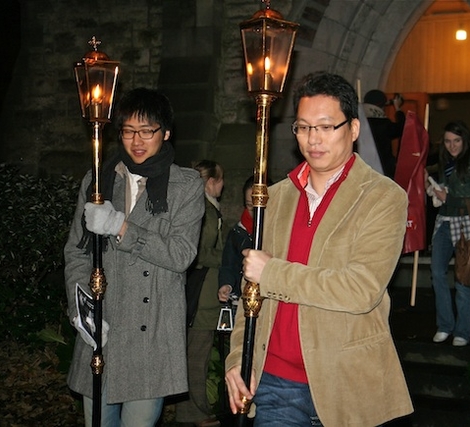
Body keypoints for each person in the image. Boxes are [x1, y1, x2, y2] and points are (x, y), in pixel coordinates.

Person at [224, 71, 413, 426]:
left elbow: (361, 289)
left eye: (327, 127)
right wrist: (239, 357)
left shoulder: (383, 197)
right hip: (275, 381)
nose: (314, 139)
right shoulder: (275, 197)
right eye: (304, 127)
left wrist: (274, 273)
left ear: (353, 129)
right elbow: (252, 288)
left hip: (348, 381)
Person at [64, 87, 205, 427]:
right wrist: (81, 311)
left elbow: (181, 255)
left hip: (151, 332)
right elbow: (76, 252)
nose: (136, 141)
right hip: (104, 329)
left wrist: (121, 227)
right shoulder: (98, 181)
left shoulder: (186, 185)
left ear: (166, 133)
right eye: (128, 131)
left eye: (147, 131)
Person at [426, 121, 470, 347]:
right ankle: (445, 325)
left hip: (465, 224)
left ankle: (462, 331)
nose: (452, 146)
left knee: (464, 278)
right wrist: (435, 189)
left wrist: (448, 198)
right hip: (444, 221)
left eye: (457, 141)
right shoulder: (447, 162)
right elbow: (445, 186)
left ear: (465, 141)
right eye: (448, 141)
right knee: (437, 273)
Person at [176, 160, 224, 427]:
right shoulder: (205, 210)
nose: (223, 185)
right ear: (210, 182)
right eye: (220, 180)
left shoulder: (203, 207)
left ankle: (189, 412)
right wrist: (228, 255)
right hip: (203, 294)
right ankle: (197, 412)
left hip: (201, 290)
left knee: (194, 353)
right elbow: (200, 252)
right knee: (197, 355)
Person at [218, 175, 255, 304]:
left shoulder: (280, 233)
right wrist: (226, 284)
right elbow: (229, 264)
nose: (255, 211)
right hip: (241, 300)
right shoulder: (238, 232)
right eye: (250, 205)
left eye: (260, 205)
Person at [362, 89, 405, 178]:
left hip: (362, 170)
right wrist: (398, 108)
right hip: (383, 170)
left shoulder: (357, 123)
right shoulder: (383, 124)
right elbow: (403, 128)